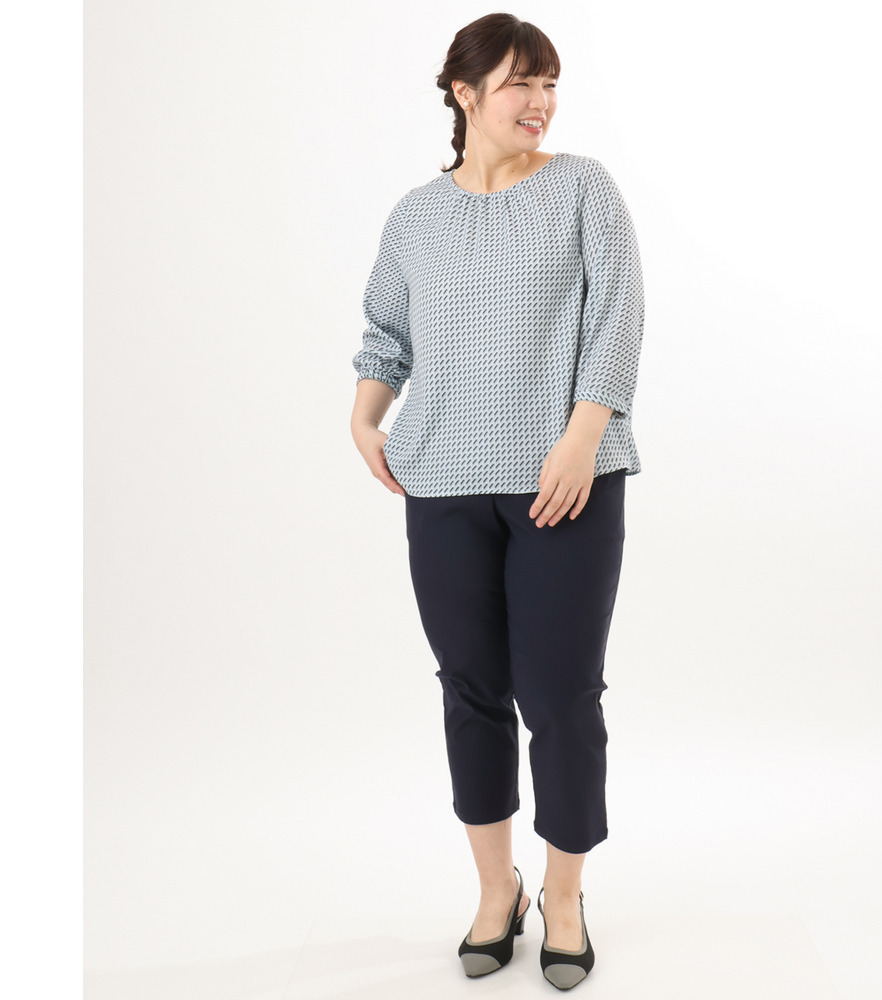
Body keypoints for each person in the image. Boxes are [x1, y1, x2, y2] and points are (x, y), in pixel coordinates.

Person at [349, 13, 644, 990]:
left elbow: (617, 319)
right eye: (521, 82)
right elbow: (386, 332)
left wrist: (581, 437)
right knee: (470, 691)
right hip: (440, 483)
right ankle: (494, 891)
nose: (541, 101)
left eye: (550, 83)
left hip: (565, 482)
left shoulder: (582, 188)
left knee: (561, 696)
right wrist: (365, 415)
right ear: (464, 92)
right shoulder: (414, 216)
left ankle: (563, 896)